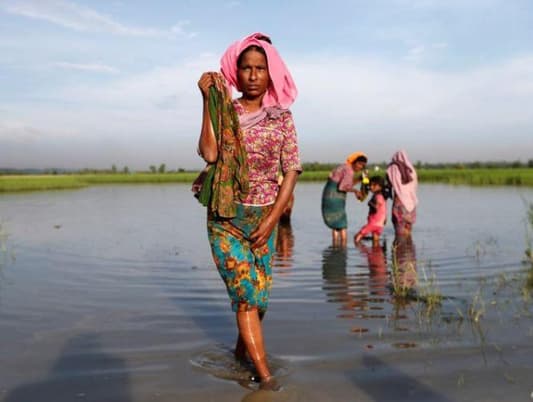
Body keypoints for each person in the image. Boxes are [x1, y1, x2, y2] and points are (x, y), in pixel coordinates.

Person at [196, 32, 301, 388]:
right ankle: (266, 379)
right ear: (236, 73)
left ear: (271, 73)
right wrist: (208, 102)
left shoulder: (281, 118)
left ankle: (239, 358)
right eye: (246, 68)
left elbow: (291, 171)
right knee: (245, 298)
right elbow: (210, 154)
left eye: (261, 68)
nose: (254, 75)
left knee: (260, 302)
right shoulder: (227, 110)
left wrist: (273, 221)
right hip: (226, 218)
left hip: (263, 219)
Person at [321, 152, 368, 247]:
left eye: (362, 166)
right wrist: (356, 191)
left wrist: (359, 180)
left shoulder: (343, 167)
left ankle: (335, 245)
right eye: (359, 164)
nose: (360, 167)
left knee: (335, 224)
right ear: (354, 162)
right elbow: (342, 187)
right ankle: (343, 247)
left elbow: (345, 184)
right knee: (342, 223)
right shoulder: (349, 170)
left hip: (328, 195)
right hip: (335, 197)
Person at [386, 150, 418, 237]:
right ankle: (409, 248)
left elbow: (390, 184)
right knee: (408, 229)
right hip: (412, 203)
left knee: (400, 232)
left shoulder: (393, 168)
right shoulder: (411, 169)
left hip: (400, 203)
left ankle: (400, 249)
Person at [354, 175, 387, 246]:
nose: (371, 187)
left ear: (380, 187)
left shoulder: (378, 196)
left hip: (373, 223)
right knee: (375, 240)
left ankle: (360, 250)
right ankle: (376, 254)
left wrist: (370, 203)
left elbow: (376, 207)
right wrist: (385, 219)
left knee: (357, 237)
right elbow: (383, 210)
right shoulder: (382, 197)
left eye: (374, 185)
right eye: (370, 185)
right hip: (380, 224)